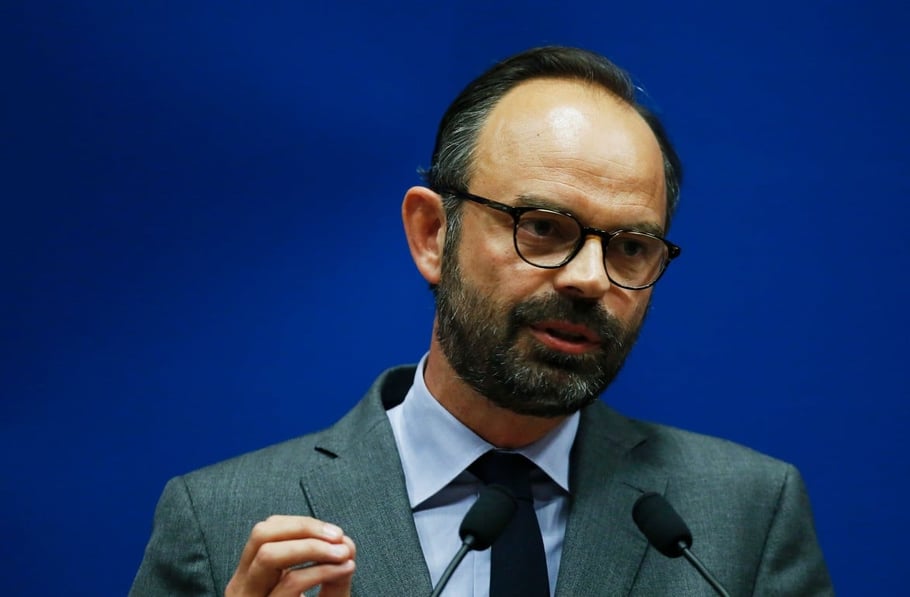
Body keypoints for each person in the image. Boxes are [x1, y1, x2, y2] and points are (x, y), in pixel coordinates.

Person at [130, 46, 833, 597]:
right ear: (433, 233)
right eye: (545, 227)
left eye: (630, 247)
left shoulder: (740, 513)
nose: (590, 278)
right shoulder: (221, 518)